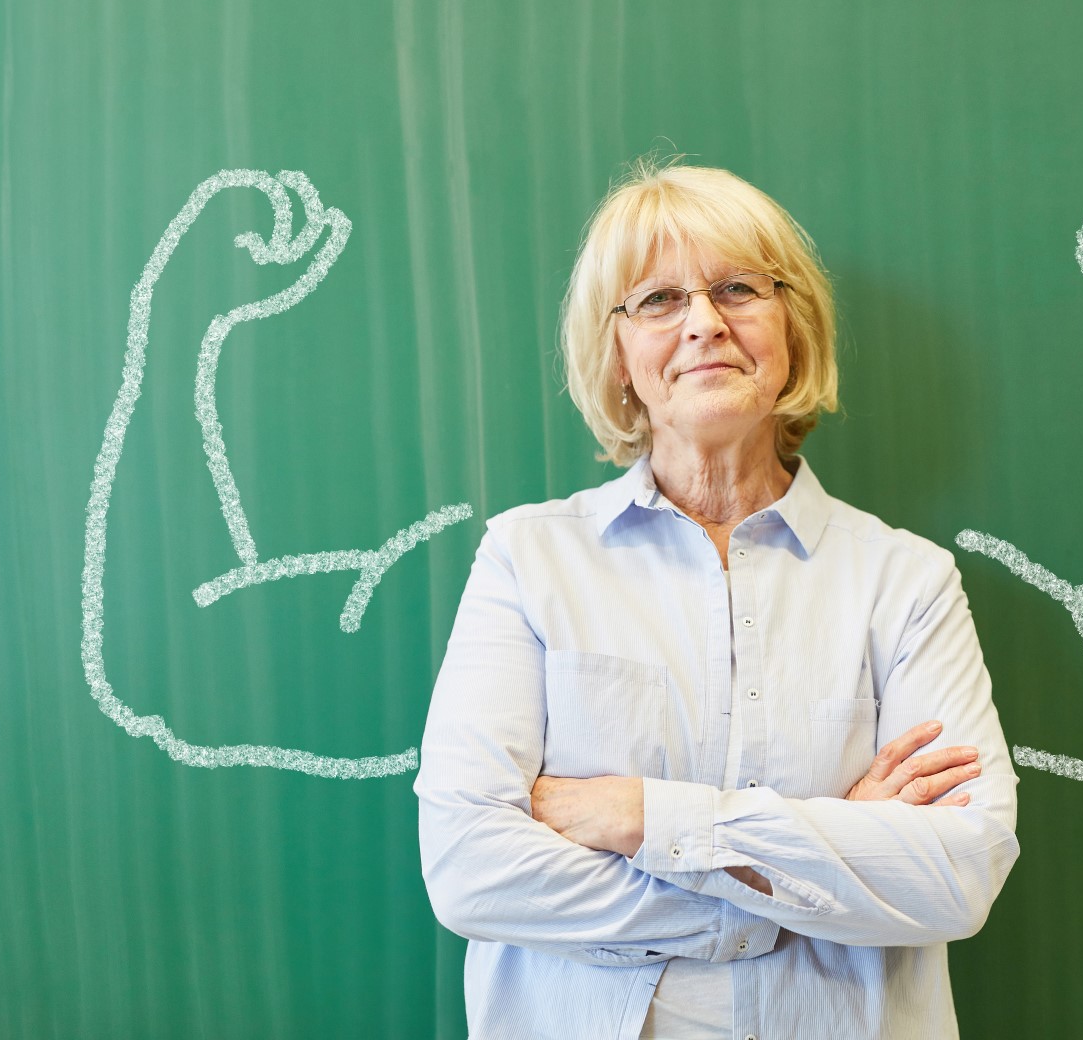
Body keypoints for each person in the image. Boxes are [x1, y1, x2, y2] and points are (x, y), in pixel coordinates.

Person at [415, 156, 1020, 1039]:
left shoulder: (906, 581)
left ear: (793, 332)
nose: (704, 323)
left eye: (738, 289)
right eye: (658, 301)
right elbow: (471, 869)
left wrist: (642, 816)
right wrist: (805, 871)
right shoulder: (528, 559)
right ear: (617, 354)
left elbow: (957, 876)